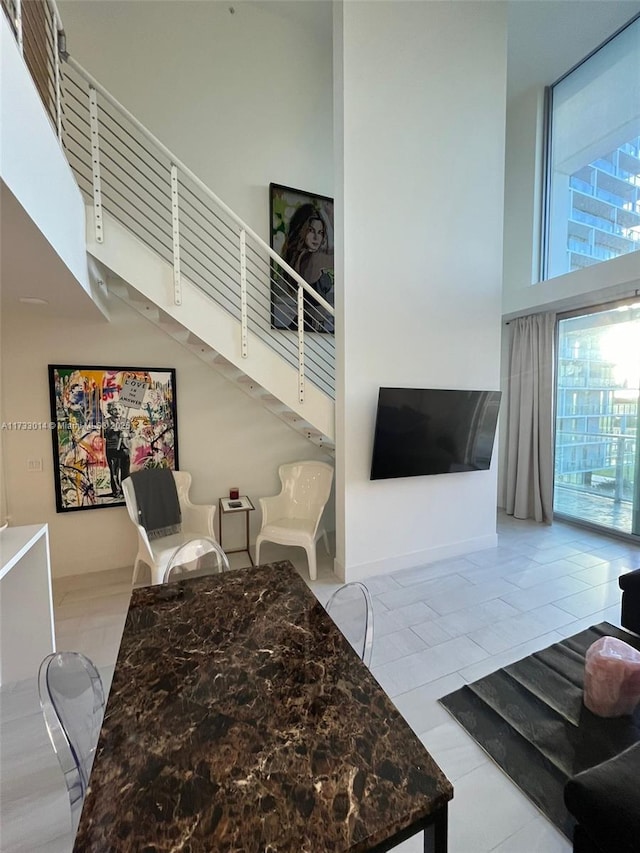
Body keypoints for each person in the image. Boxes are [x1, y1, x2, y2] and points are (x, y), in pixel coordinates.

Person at [278, 202, 334, 333]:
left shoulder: (303, 257)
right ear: (302, 232)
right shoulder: (313, 259)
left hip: (310, 327)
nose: (316, 237)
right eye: (311, 231)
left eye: (320, 232)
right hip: (309, 326)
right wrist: (331, 217)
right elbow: (342, 258)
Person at [103, 402, 131, 499]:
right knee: (114, 472)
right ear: (110, 411)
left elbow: (133, 433)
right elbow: (103, 435)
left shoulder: (126, 421)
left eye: (119, 409)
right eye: (115, 409)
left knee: (125, 472)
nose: (117, 411)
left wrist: (127, 435)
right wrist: (111, 430)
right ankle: (116, 491)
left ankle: (125, 491)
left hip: (125, 449)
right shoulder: (106, 421)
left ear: (122, 410)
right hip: (112, 449)